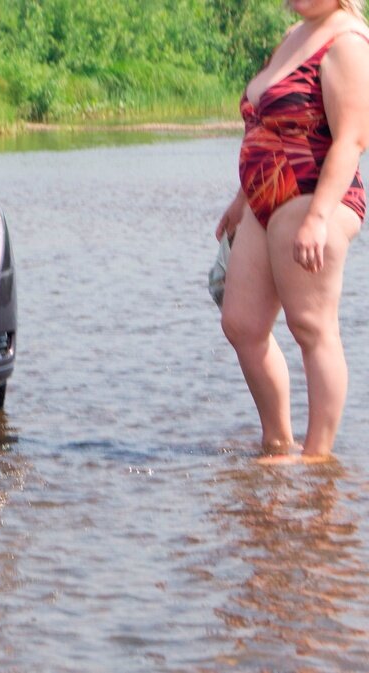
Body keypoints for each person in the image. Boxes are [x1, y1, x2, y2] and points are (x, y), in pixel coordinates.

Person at [216, 0, 369, 464]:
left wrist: (319, 217)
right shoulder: (294, 33)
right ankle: (278, 442)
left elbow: (353, 138)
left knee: (311, 326)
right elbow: (265, 125)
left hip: (311, 196)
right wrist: (242, 200)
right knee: (241, 324)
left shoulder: (346, 42)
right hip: (264, 200)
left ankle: (318, 455)